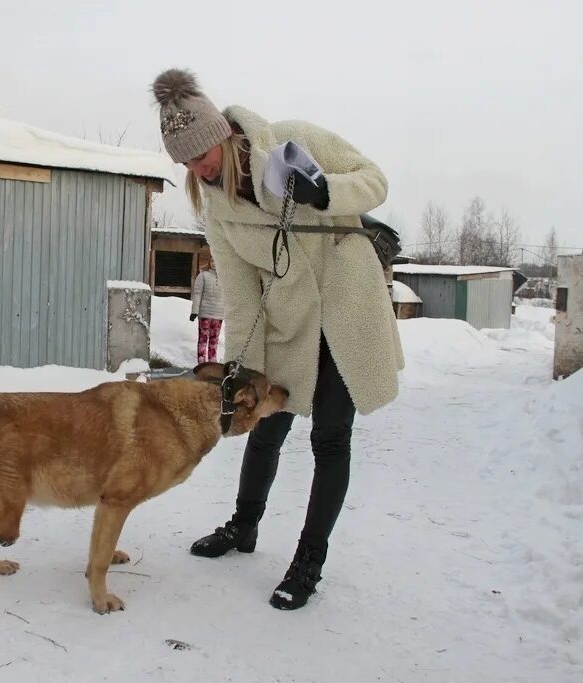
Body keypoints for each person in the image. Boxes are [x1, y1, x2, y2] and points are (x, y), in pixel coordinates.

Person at [150, 68, 404, 610]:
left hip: (346, 316)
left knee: (330, 440)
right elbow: (241, 293)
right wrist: (239, 365)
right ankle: (244, 526)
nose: (201, 167)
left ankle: (309, 560)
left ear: (221, 131)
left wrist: (326, 191)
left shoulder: (293, 142)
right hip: (290, 326)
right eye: (188, 161)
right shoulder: (215, 208)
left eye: (204, 152)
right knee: (263, 429)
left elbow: (376, 180)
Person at [190, 256, 225, 364]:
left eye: (216, 260)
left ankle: (212, 362)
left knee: (214, 340)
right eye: (212, 260)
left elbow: (228, 297)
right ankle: (201, 362)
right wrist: (194, 311)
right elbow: (197, 294)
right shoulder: (203, 275)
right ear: (209, 262)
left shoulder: (225, 278)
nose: (214, 263)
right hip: (205, 314)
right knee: (203, 339)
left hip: (218, 315)